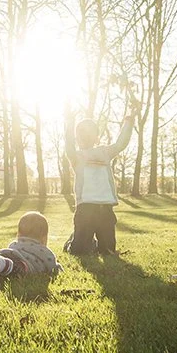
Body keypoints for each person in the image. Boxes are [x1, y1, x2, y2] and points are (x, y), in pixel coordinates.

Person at [64, 90, 140, 257]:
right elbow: (68, 145)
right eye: (81, 133)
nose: (84, 136)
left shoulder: (105, 152)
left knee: (108, 250)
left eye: (89, 132)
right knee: (79, 252)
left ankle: (95, 243)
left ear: (96, 136)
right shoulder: (77, 157)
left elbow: (121, 143)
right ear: (78, 137)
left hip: (105, 209)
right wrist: (69, 121)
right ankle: (72, 243)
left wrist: (129, 119)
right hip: (85, 208)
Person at [0, 210, 62, 279]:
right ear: (43, 237)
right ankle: (5, 265)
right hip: (22, 264)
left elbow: (11, 251)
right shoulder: (44, 251)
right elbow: (53, 267)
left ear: (19, 234)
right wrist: (59, 268)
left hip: (6, 254)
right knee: (20, 269)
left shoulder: (15, 244)